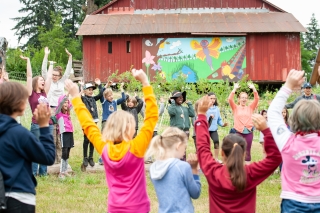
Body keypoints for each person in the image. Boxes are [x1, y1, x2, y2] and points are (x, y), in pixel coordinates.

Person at [64, 68, 158, 213]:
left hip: (114, 207)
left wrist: (76, 97)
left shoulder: (104, 149)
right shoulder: (136, 147)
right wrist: (145, 82)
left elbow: (88, 125)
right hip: (137, 207)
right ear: (130, 129)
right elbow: (151, 118)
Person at [195, 95, 282, 213]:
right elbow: (275, 158)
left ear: (221, 153)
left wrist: (201, 115)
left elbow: (202, 147)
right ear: (243, 153)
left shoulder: (214, 172)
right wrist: (266, 130)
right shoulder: (250, 174)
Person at [268, 69, 320, 211]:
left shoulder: (287, 141)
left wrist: (288, 86)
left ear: (293, 119)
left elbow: (272, 112)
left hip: (293, 202)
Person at [0, 82, 55, 213]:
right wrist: (44, 126)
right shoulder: (19, 134)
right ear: (20, 104)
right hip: (20, 197)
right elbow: (48, 156)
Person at [146, 127, 201, 212]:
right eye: (184, 147)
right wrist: (194, 170)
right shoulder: (182, 167)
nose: (184, 153)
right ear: (178, 146)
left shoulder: (153, 168)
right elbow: (195, 193)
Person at [20, 55, 53, 176]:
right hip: (36, 124)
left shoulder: (45, 92)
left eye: (43, 80)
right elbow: (29, 76)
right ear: (35, 82)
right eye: (41, 80)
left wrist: (51, 63)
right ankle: (33, 173)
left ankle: (43, 173)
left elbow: (49, 77)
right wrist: (28, 60)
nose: (43, 81)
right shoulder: (31, 93)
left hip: (48, 124)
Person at [41, 47, 73, 164]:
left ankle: (60, 158)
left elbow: (68, 72)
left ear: (60, 76)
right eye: (53, 74)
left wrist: (70, 58)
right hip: (50, 109)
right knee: (52, 133)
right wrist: (46, 55)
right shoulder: (48, 80)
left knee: (61, 133)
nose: (54, 76)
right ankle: (52, 157)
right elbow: (44, 70)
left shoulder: (61, 82)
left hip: (62, 110)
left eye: (56, 75)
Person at [228, 82, 259, 164]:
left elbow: (256, 99)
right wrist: (234, 89)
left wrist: (253, 89)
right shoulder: (235, 108)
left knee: (247, 151)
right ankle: (236, 169)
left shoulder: (250, 108)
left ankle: (247, 169)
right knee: (236, 150)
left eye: (245, 98)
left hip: (248, 132)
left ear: (247, 99)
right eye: (242, 97)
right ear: (239, 99)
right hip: (238, 132)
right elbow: (230, 99)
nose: (244, 99)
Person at [98, 81, 126, 165]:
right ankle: (102, 157)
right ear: (105, 97)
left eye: (111, 95)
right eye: (109, 96)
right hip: (106, 121)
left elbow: (123, 99)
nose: (111, 97)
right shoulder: (104, 102)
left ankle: (112, 156)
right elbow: (102, 93)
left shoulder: (115, 102)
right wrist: (106, 85)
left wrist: (121, 88)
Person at [80, 79, 103, 170]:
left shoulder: (93, 98)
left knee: (92, 139)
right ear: (85, 91)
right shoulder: (83, 98)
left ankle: (91, 157)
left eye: (92, 89)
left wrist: (100, 85)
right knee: (86, 139)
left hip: (94, 121)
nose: (91, 91)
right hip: (87, 122)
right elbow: (78, 96)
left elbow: (101, 94)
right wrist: (81, 87)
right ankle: (85, 157)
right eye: (89, 89)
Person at [168, 90, 195, 161]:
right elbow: (172, 112)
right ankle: (175, 162)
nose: (181, 98)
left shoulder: (185, 108)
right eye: (178, 97)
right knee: (176, 147)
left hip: (185, 131)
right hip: (176, 131)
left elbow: (192, 114)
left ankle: (183, 162)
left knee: (183, 148)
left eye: (182, 97)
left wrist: (190, 104)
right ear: (174, 99)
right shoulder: (171, 107)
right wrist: (172, 102)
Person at [55, 95, 74, 179]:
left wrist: (81, 90)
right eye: (64, 102)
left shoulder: (68, 112)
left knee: (68, 151)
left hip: (70, 132)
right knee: (64, 151)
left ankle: (65, 170)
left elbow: (74, 101)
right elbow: (60, 103)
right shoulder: (58, 112)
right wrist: (67, 94)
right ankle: (61, 172)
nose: (66, 104)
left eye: (67, 102)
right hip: (64, 133)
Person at [206, 92, 228, 162]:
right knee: (205, 144)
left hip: (213, 129)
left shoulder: (216, 109)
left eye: (214, 98)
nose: (213, 100)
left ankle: (216, 158)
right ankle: (206, 159)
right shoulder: (204, 107)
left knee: (216, 141)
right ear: (207, 98)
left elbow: (219, 120)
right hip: (205, 129)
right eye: (211, 98)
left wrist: (223, 124)